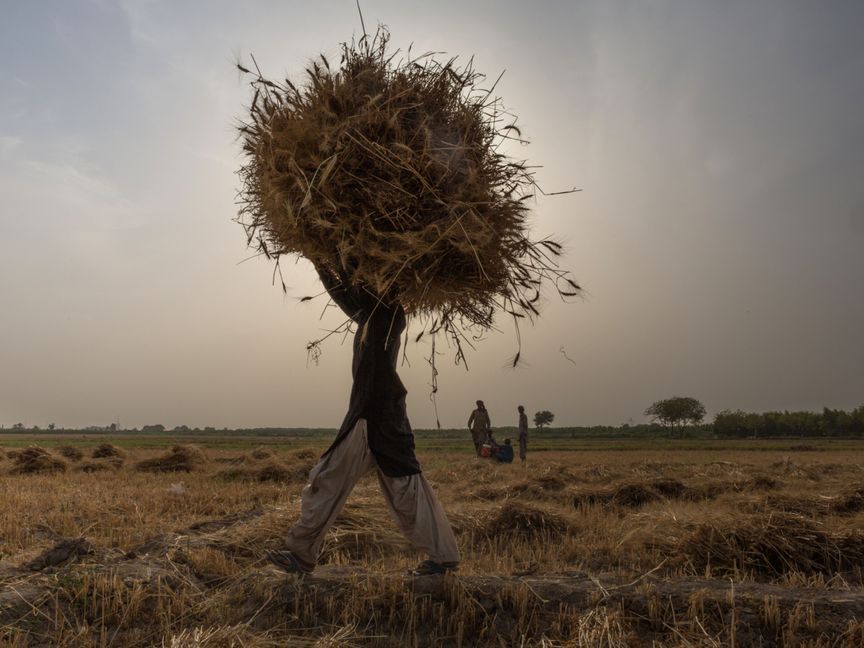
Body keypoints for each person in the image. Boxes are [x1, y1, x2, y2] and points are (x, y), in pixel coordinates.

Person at [267, 264, 460, 576]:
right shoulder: (383, 312)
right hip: (375, 412)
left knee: (348, 481)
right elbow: (352, 298)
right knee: (401, 486)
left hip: (375, 414)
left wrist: (320, 262)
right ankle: (443, 556)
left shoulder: (385, 312)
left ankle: (301, 554)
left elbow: (347, 297)